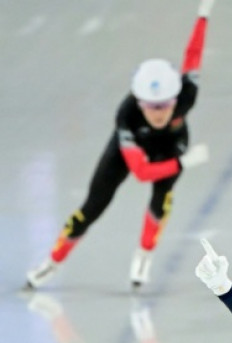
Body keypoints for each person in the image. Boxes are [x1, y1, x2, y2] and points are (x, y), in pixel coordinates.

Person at [23, 0, 215, 290]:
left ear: (175, 100)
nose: (159, 113)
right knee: (92, 207)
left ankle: (144, 256)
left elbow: (193, 54)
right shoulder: (126, 115)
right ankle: (52, 262)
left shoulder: (187, 95)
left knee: (160, 204)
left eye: (164, 105)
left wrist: (203, 15)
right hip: (135, 154)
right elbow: (140, 172)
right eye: (151, 107)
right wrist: (182, 163)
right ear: (139, 102)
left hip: (170, 146)